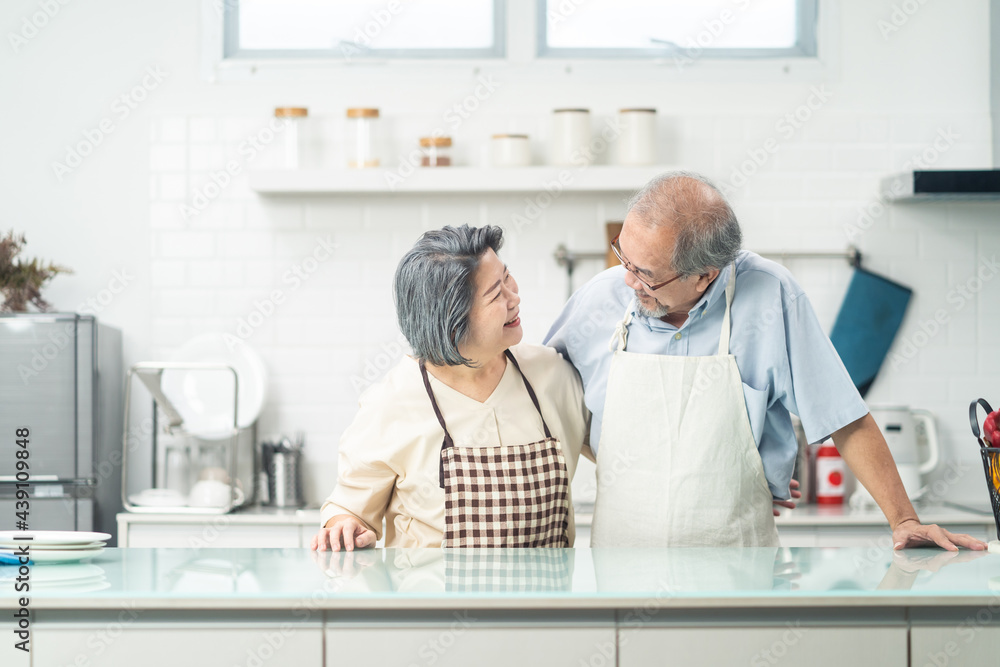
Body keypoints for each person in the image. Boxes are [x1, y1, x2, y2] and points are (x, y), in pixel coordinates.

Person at [545, 171, 986, 551]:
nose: (627, 278)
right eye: (624, 254)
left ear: (705, 275)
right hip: (622, 564)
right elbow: (545, 401)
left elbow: (844, 416)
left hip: (737, 567)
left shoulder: (771, 296)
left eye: (646, 273)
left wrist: (904, 520)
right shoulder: (601, 298)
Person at [312, 225, 588, 551]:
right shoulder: (391, 404)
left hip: (546, 603)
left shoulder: (553, 375)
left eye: (507, 277)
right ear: (452, 321)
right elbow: (350, 507)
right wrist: (345, 527)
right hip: (433, 603)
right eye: (496, 294)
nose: (515, 297)